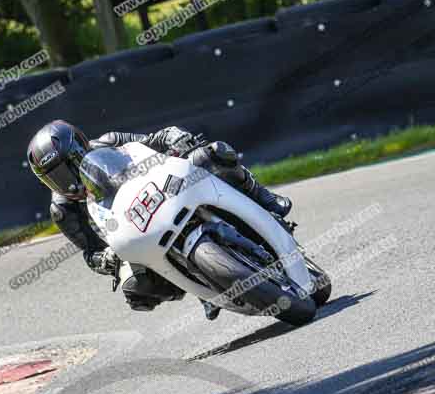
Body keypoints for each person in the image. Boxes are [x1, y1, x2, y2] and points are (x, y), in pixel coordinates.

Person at [27, 120, 293, 320]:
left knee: (214, 153)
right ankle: (202, 286)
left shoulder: (110, 142)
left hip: (168, 190)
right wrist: (105, 259)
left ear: (82, 145)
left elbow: (158, 138)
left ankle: (265, 199)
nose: (69, 180)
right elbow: (91, 252)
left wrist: (178, 139)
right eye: (57, 177)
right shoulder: (64, 210)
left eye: (71, 165)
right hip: (135, 234)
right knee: (135, 289)